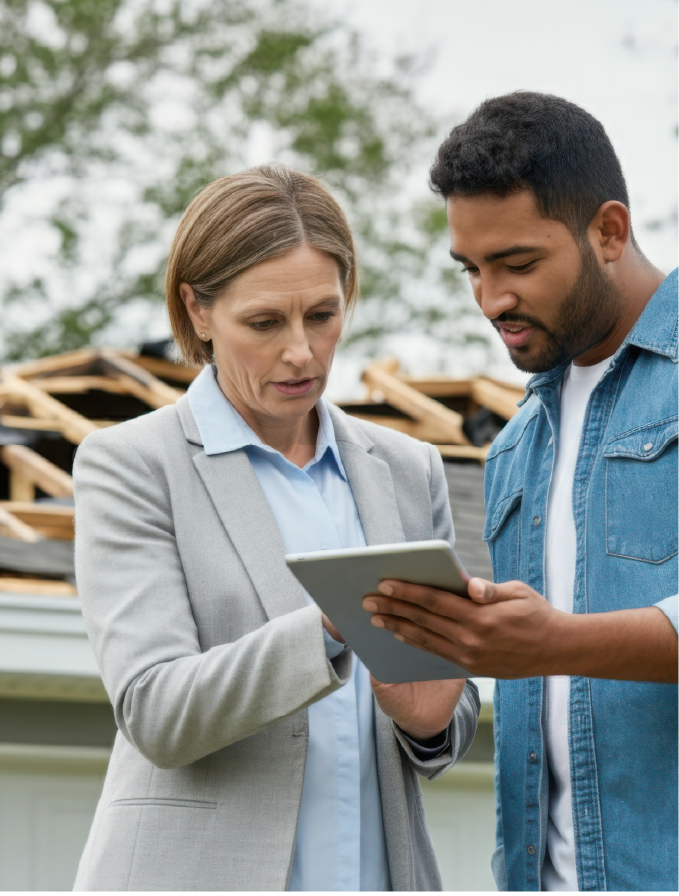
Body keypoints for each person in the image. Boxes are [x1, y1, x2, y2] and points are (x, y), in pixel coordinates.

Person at [71, 163, 479, 893]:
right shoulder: (132, 465)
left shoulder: (410, 468)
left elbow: (442, 708)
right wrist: (330, 626)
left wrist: (430, 720)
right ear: (197, 312)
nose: (302, 351)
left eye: (322, 315)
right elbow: (155, 711)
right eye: (264, 323)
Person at [362, 92, 679, 894]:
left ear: (608, 231)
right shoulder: (512, 448)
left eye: (518, 264)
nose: (491, 300)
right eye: (472, 269)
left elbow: (555, 645)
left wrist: (553, 642)